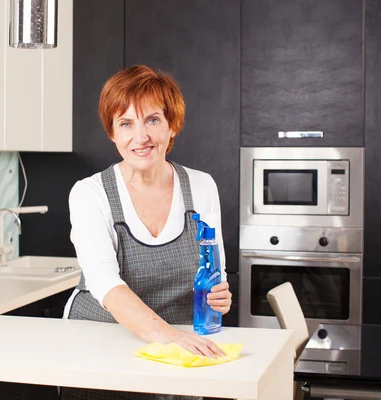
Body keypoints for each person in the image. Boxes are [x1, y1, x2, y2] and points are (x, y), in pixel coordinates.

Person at [61, 65, 232, 400]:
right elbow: (105, 284)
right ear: (112, 133)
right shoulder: (90, 193)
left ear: (172, 126)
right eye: (126, 124)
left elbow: (214, 268)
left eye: (152, 120)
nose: (140, 137)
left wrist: (219, 296)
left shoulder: (201, 186)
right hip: (100, 340)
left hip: (179, 343)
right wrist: (165, 335)